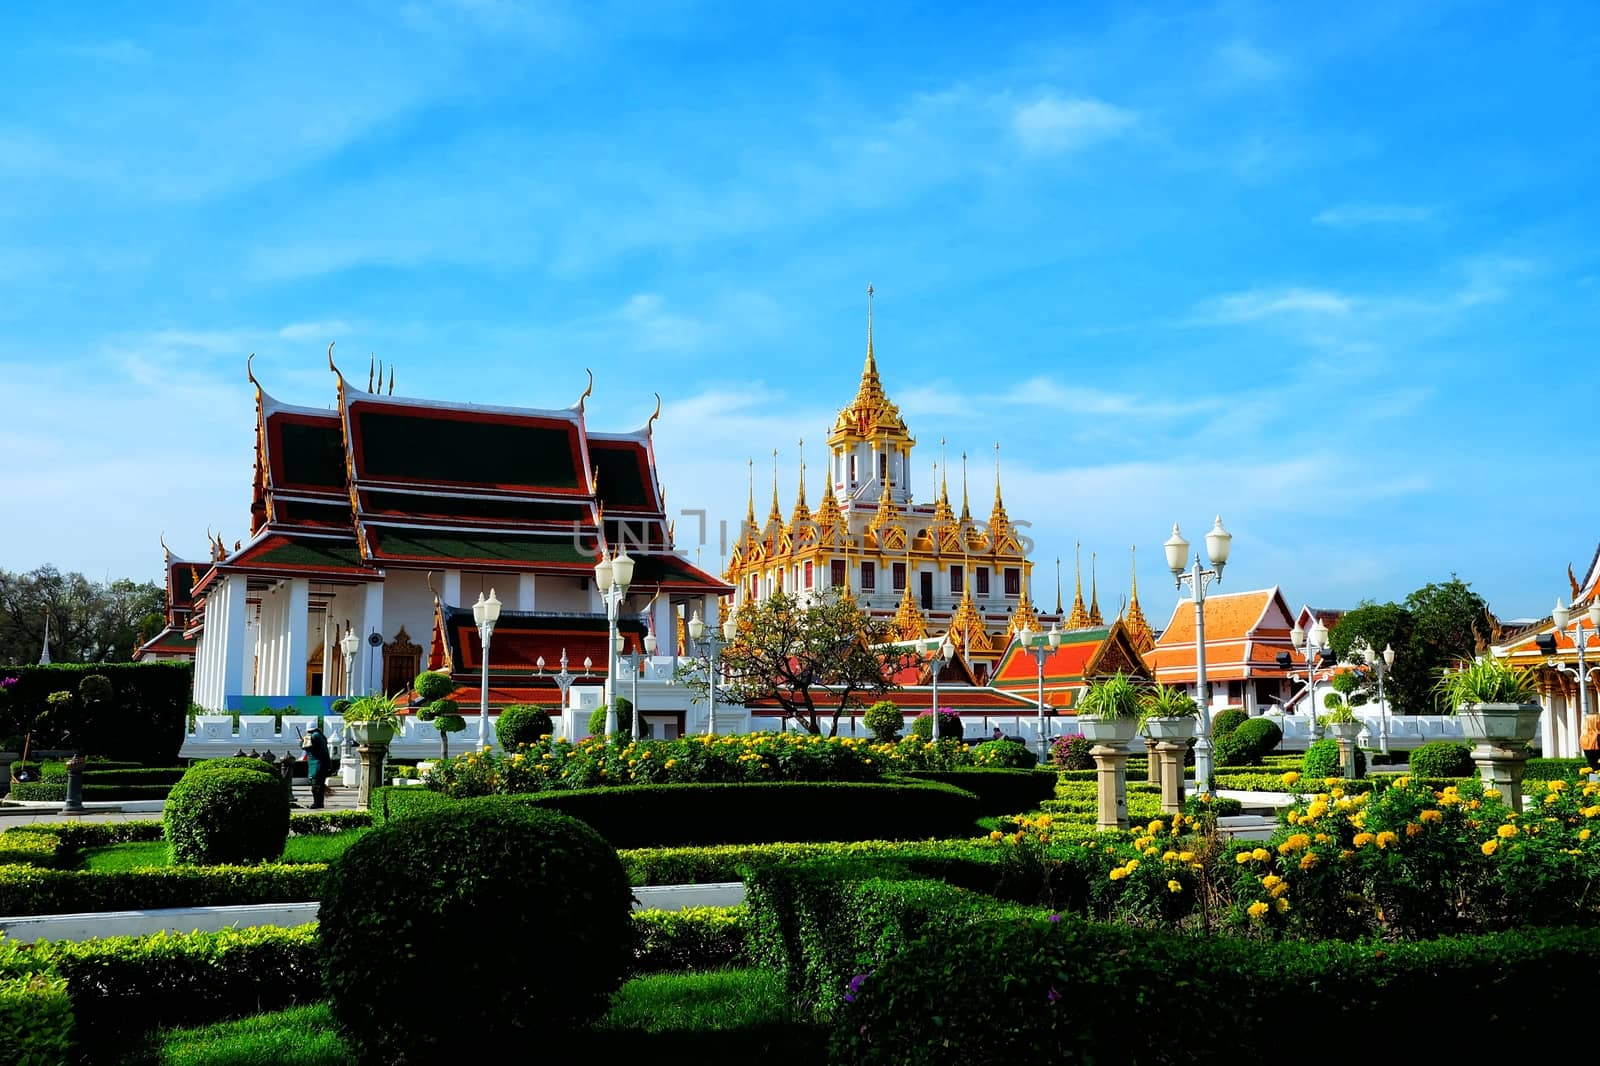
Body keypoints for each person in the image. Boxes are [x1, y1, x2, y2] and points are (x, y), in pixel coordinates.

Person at [304, 724, 332, 809]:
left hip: (317, 765)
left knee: (316, 786)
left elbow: (305, 747)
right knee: (318, 785)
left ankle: (317, 803)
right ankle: (318, 803)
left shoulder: (314, 736)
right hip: (319, 764)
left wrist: (302, 740)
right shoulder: (320, 735)